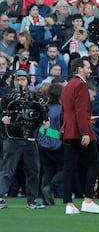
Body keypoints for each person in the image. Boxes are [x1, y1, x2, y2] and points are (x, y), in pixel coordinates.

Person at [61, 57, 99, 214]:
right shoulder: (81, 85)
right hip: (80, 131)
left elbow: (68, 111)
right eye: (87, 67)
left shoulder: (68, 85)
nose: (90, 70)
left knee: (68, 168)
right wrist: (85, 132)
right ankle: (88, 199)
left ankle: (69, 204)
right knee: (94, 163)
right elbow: (80, 111)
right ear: (79, 68)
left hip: (69, 130)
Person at [0, 70, 49, 209]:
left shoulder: (34, 96)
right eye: (18, 79)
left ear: (28, 81)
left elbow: (43, 112)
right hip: (12, 138)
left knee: (33, 171)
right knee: (7, 170)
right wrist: (3, 118)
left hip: (30, 139)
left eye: (23, 79)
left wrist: (45, 120)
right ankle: (1, 197)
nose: (20, 82)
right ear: (14, 81)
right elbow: (1, 113)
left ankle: (32, 200)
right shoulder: (8, 96)